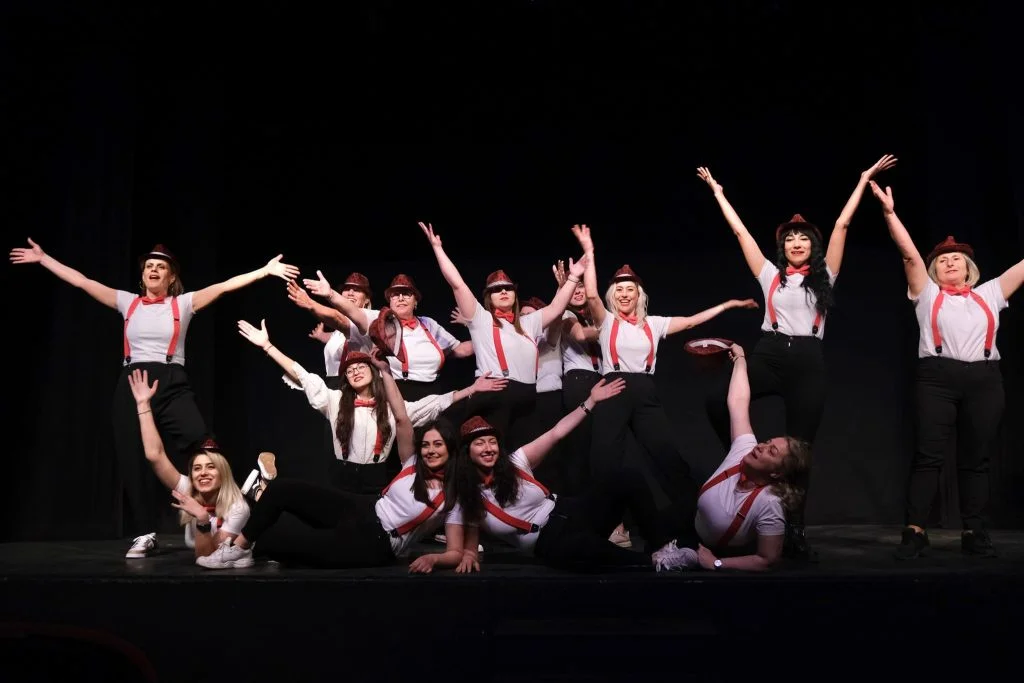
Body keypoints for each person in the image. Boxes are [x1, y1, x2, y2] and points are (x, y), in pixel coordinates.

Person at [9, 238, 298, 549]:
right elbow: (82, 281)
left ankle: (233, 500)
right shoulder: (127, 302)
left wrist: (264, 271)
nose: (154, 270)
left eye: (161, 266)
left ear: (171, 277)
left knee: (202, 442)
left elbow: (224, 286)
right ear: (143, 274)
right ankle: (145, 533)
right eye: (149, 266)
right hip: (132, 381)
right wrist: (44, 258)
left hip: (171, 379)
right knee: (133, 458)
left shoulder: (183, 304)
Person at [696, 155, 896, 558]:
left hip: (807, 360)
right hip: (770, 352)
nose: (797, 243)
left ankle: (794, 530)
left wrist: (862, 179)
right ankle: (740, 457)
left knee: (800, 450)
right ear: (783, 247)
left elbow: (842, 225)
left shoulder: (826, 277)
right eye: (790, 239)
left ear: (813, 246)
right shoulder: (770, 275)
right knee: (717, 399)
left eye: (803, 238)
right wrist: (718, 193)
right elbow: (740, 232)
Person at [196, 353, 480, 572]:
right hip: (365, 507)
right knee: (282, 490)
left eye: (438, 445)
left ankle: (256, 519)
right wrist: (384, 370)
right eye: (426, 444)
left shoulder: (451, 496)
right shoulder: (412, 464)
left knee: (277, 544)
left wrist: (434, 558)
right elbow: (403, 419)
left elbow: (455, 551)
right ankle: (239, 548)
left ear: (451, 449)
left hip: (378, 541)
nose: (430, 450)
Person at [572, 224, 758, 549]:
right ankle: (611, 527)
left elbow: (691, 321)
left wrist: (728, 305)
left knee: (667, 457)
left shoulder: (654, 324)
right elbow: (590, 296)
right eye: (619, 289)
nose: (624, 294)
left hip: (644, 390)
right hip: (613, 387)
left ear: (639, 295)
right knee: (604, 461)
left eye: (630, 289)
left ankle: (696, 522)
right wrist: (589, 251)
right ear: (613, 295)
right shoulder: (607, 322)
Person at [869, 179, 1023, 559]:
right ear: (934, 270)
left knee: (977, 459)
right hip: (937, 378)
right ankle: (915, 530)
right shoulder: (927, 294)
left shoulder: (990, 293)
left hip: (984, 380)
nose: (950, 262)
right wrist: (889, 214)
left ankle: (974, 530)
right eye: (942, 259)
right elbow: (909, 254)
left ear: (969, 267)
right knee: (929, 456)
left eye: (956, 258)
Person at [445, 381, 700, 572]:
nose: (488, 448)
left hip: (571, 510)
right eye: (480, 443)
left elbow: (556, 432)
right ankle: (653, 562)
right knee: (586, 549)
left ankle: (661, 547)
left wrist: (590, 401)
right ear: (467, 452)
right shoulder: (468, 497)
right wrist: (466, 554)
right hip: (549, 541)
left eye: (492, 442)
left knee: (626, 478)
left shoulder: (515, 462)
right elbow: (466, 541)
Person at [236, 318, 507, 494]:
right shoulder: (334, 401)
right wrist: (267, 346)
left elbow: (432, 404)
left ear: (374, 372)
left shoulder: (390, 408)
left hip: (376, 483)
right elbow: (302, 375)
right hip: (341, 479)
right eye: (349, 369)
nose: (355, 371)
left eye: (360, 367)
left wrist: (471, 389)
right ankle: (261, 491)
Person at [417, 220, 588, 450]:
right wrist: (438, 249)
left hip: (528, 397)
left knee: (527, 459)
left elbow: (557, 308)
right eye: (497, 289)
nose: (504, 291)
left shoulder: (529, 323)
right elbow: (457, 284)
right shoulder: (481, 319)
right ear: (489, 297)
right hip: (496, 394)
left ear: (515, 295)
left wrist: (574, 277)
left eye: (508, 288)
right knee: (490, 456)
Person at [663, 343, 813, 572]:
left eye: (772, 451)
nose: (762, 446)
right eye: (768, 442)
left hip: (709, 549)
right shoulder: (745, 449)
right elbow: (738, 402)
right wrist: (740, 359)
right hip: (690, 522)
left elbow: (767, 559)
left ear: (776, 473)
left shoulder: (769, 503)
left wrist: (716, 563)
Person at [124, 368, 250, 560]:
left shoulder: (237, 507)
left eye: (211, 467)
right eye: (197, 468)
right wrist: (143, 404)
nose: (203, 473)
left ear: (223, 472)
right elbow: (155, 455)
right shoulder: (188, 489)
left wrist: (202, 519)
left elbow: (209, 556)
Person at [303, 271, 474, 401]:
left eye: (406, 294)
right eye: (395, 294)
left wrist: (480, 330)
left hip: (432, 393)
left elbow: (461, 349)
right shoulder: (379, 319)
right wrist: (329, 295)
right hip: (392, 392)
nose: (400, 298)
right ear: (389, 301)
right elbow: (343, 317)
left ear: (415, 301)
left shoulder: (429, 324)